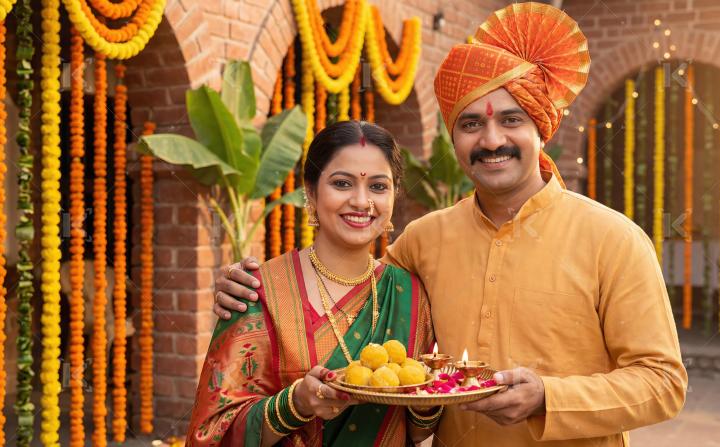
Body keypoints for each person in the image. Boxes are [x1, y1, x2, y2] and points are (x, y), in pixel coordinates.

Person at [213, 3, 687, 446]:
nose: (492, 139)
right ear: (454, 138)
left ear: (541, 128)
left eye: (511, 119)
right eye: (470, 125)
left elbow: (663, 383)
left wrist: (549, 397)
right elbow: (354, 292)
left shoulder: (613, 239)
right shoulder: (424, 239)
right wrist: (244, 288)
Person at [187, 121, 438, 446]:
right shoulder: (258, 291)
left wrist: (429, 400)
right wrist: (296, 405)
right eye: (342, 183)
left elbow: (417, 432)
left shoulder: (410, 296)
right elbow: (211, 433)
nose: (362, 202)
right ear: (311, 192)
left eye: (378, 186)